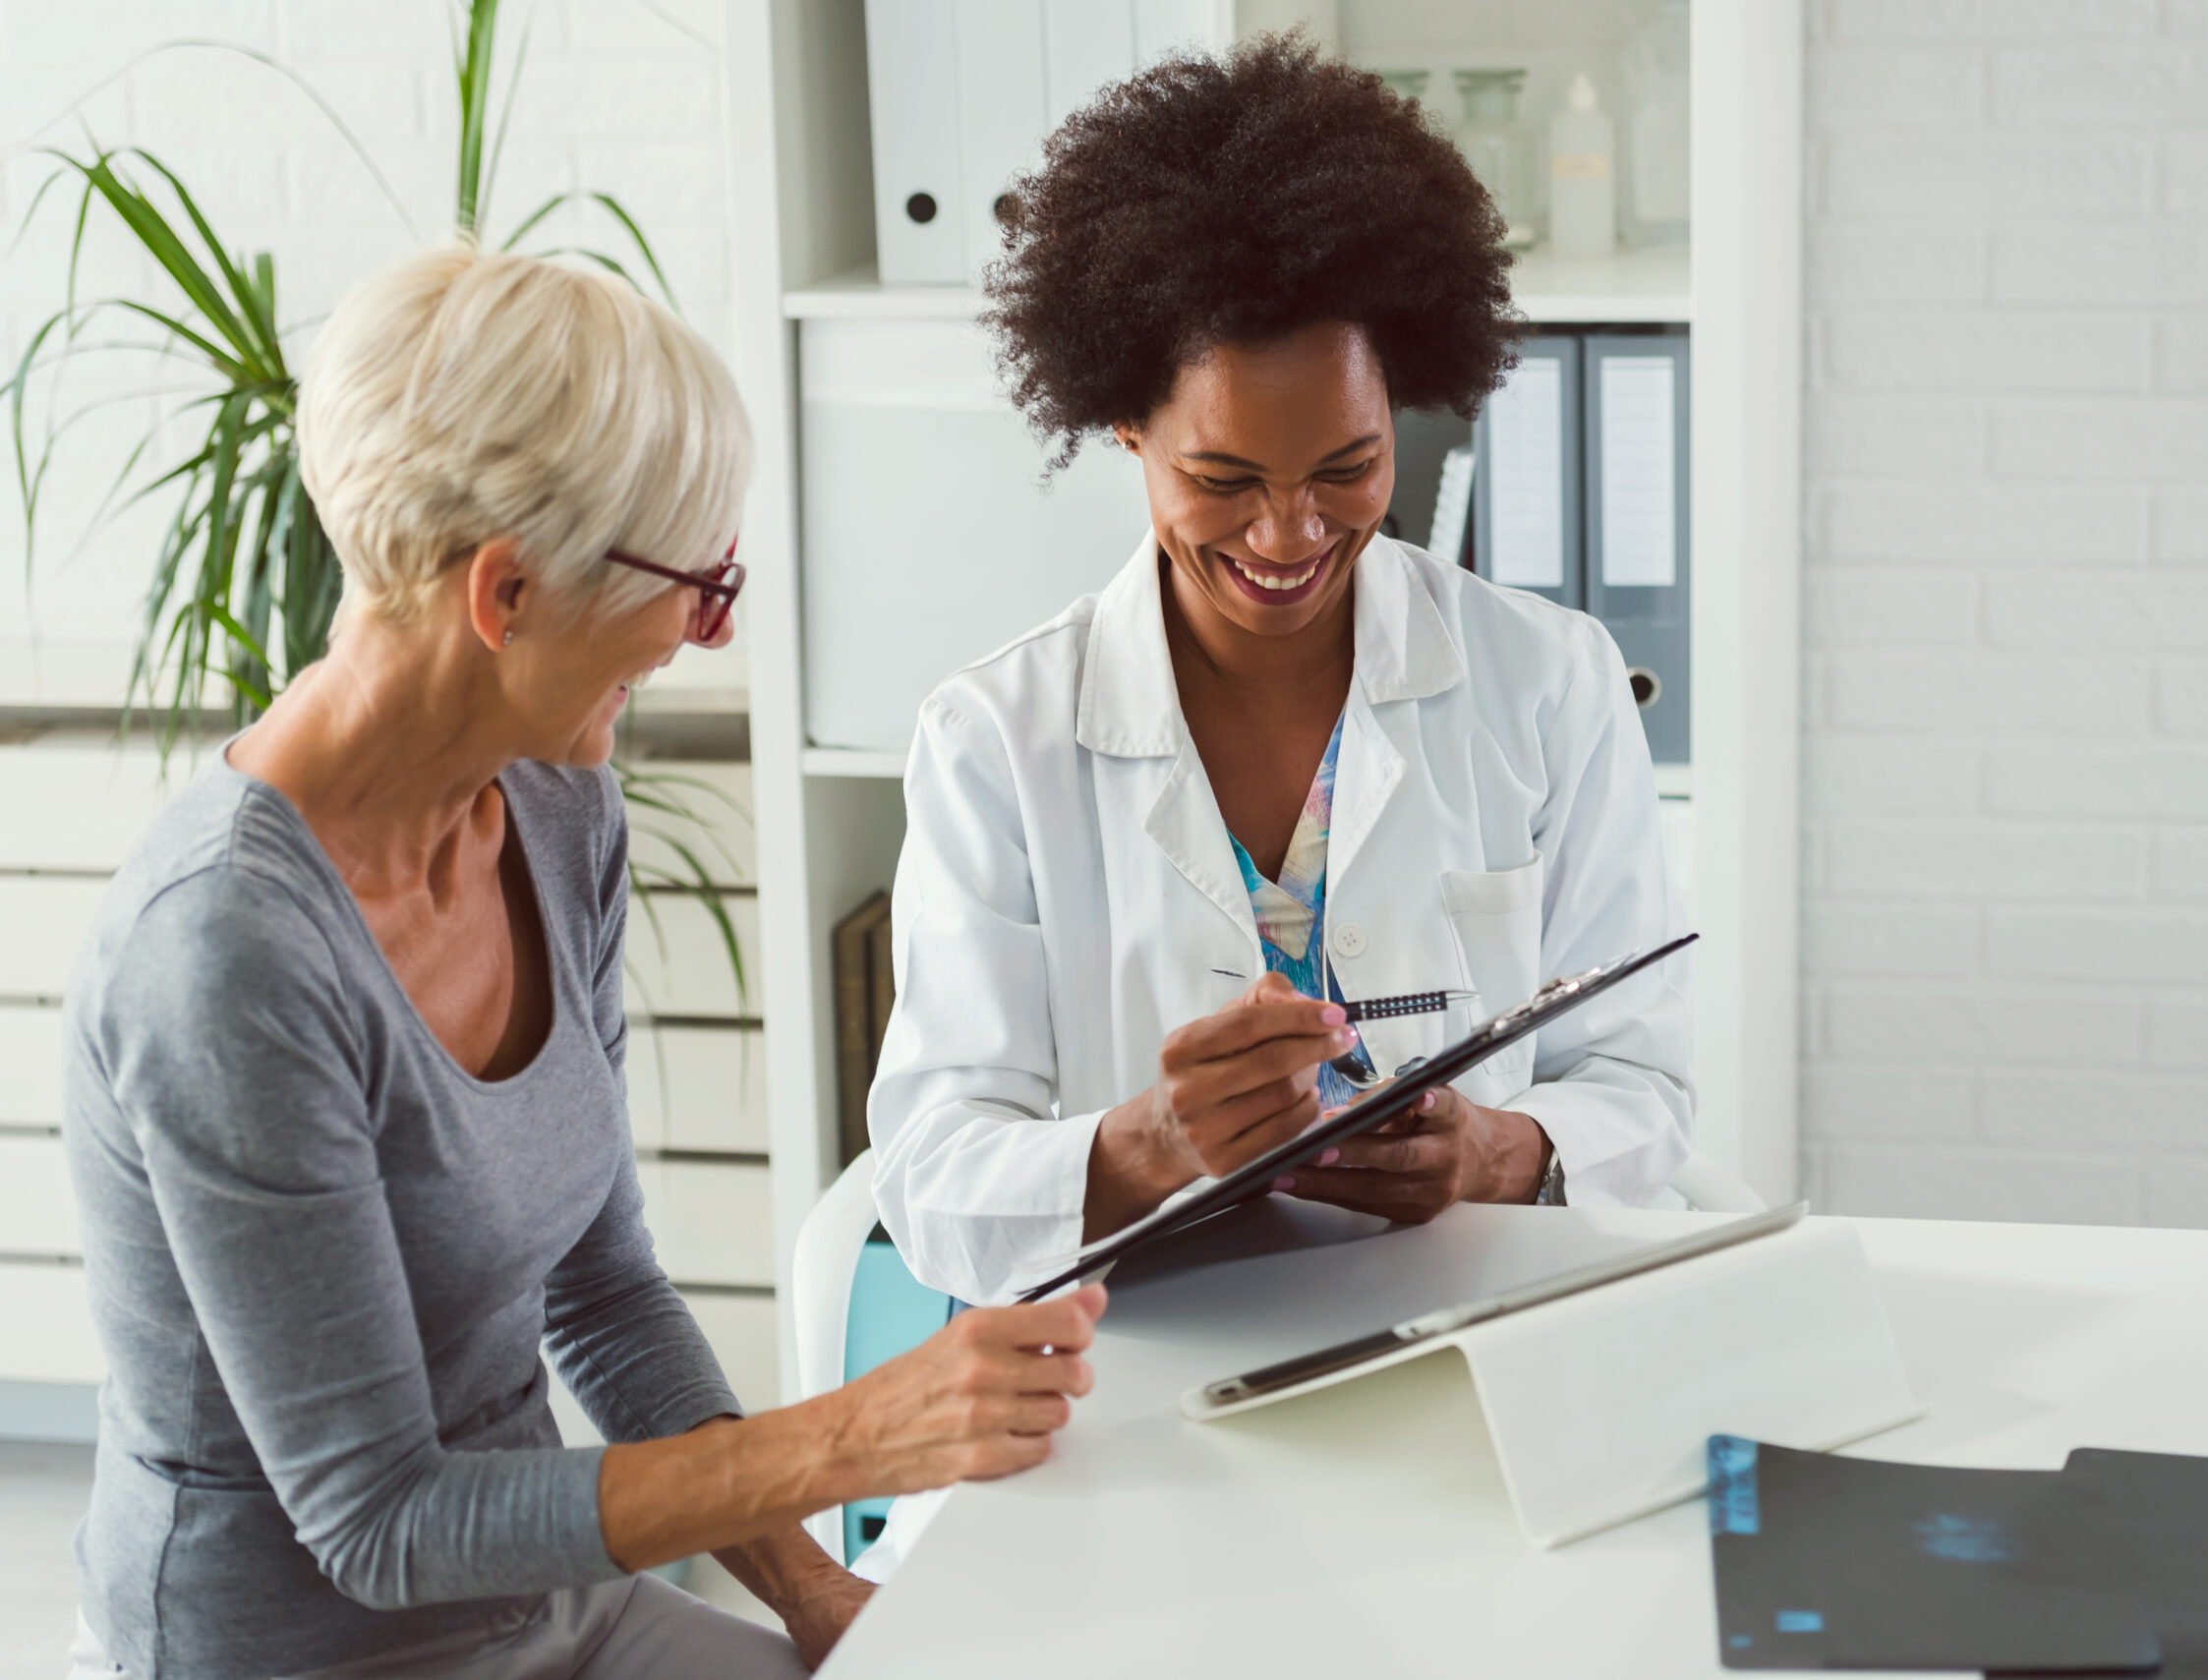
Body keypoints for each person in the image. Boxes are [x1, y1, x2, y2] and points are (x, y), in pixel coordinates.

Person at [60, 244, 1104, 1680]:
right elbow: (378, 1521)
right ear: (506, 594)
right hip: (301, 1650)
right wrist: (845, 1439)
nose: (702, 633)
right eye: (702, 585)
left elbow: (602, 1291)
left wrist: (808, 1593)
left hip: (543, 1596)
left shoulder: (553, 805)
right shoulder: (225, 955)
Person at [867, 36, 1692, 1311]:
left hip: (1483, 1339)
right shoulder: (998, 736)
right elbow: (928, 1176)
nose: (1288, 534)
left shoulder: (1551, 683)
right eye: (1225, 480)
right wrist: (1149, 1143)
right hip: (1139, 1367)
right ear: (1126, 421)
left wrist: (1499, 1151)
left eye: (1346, 468)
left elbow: (1646, 1091)